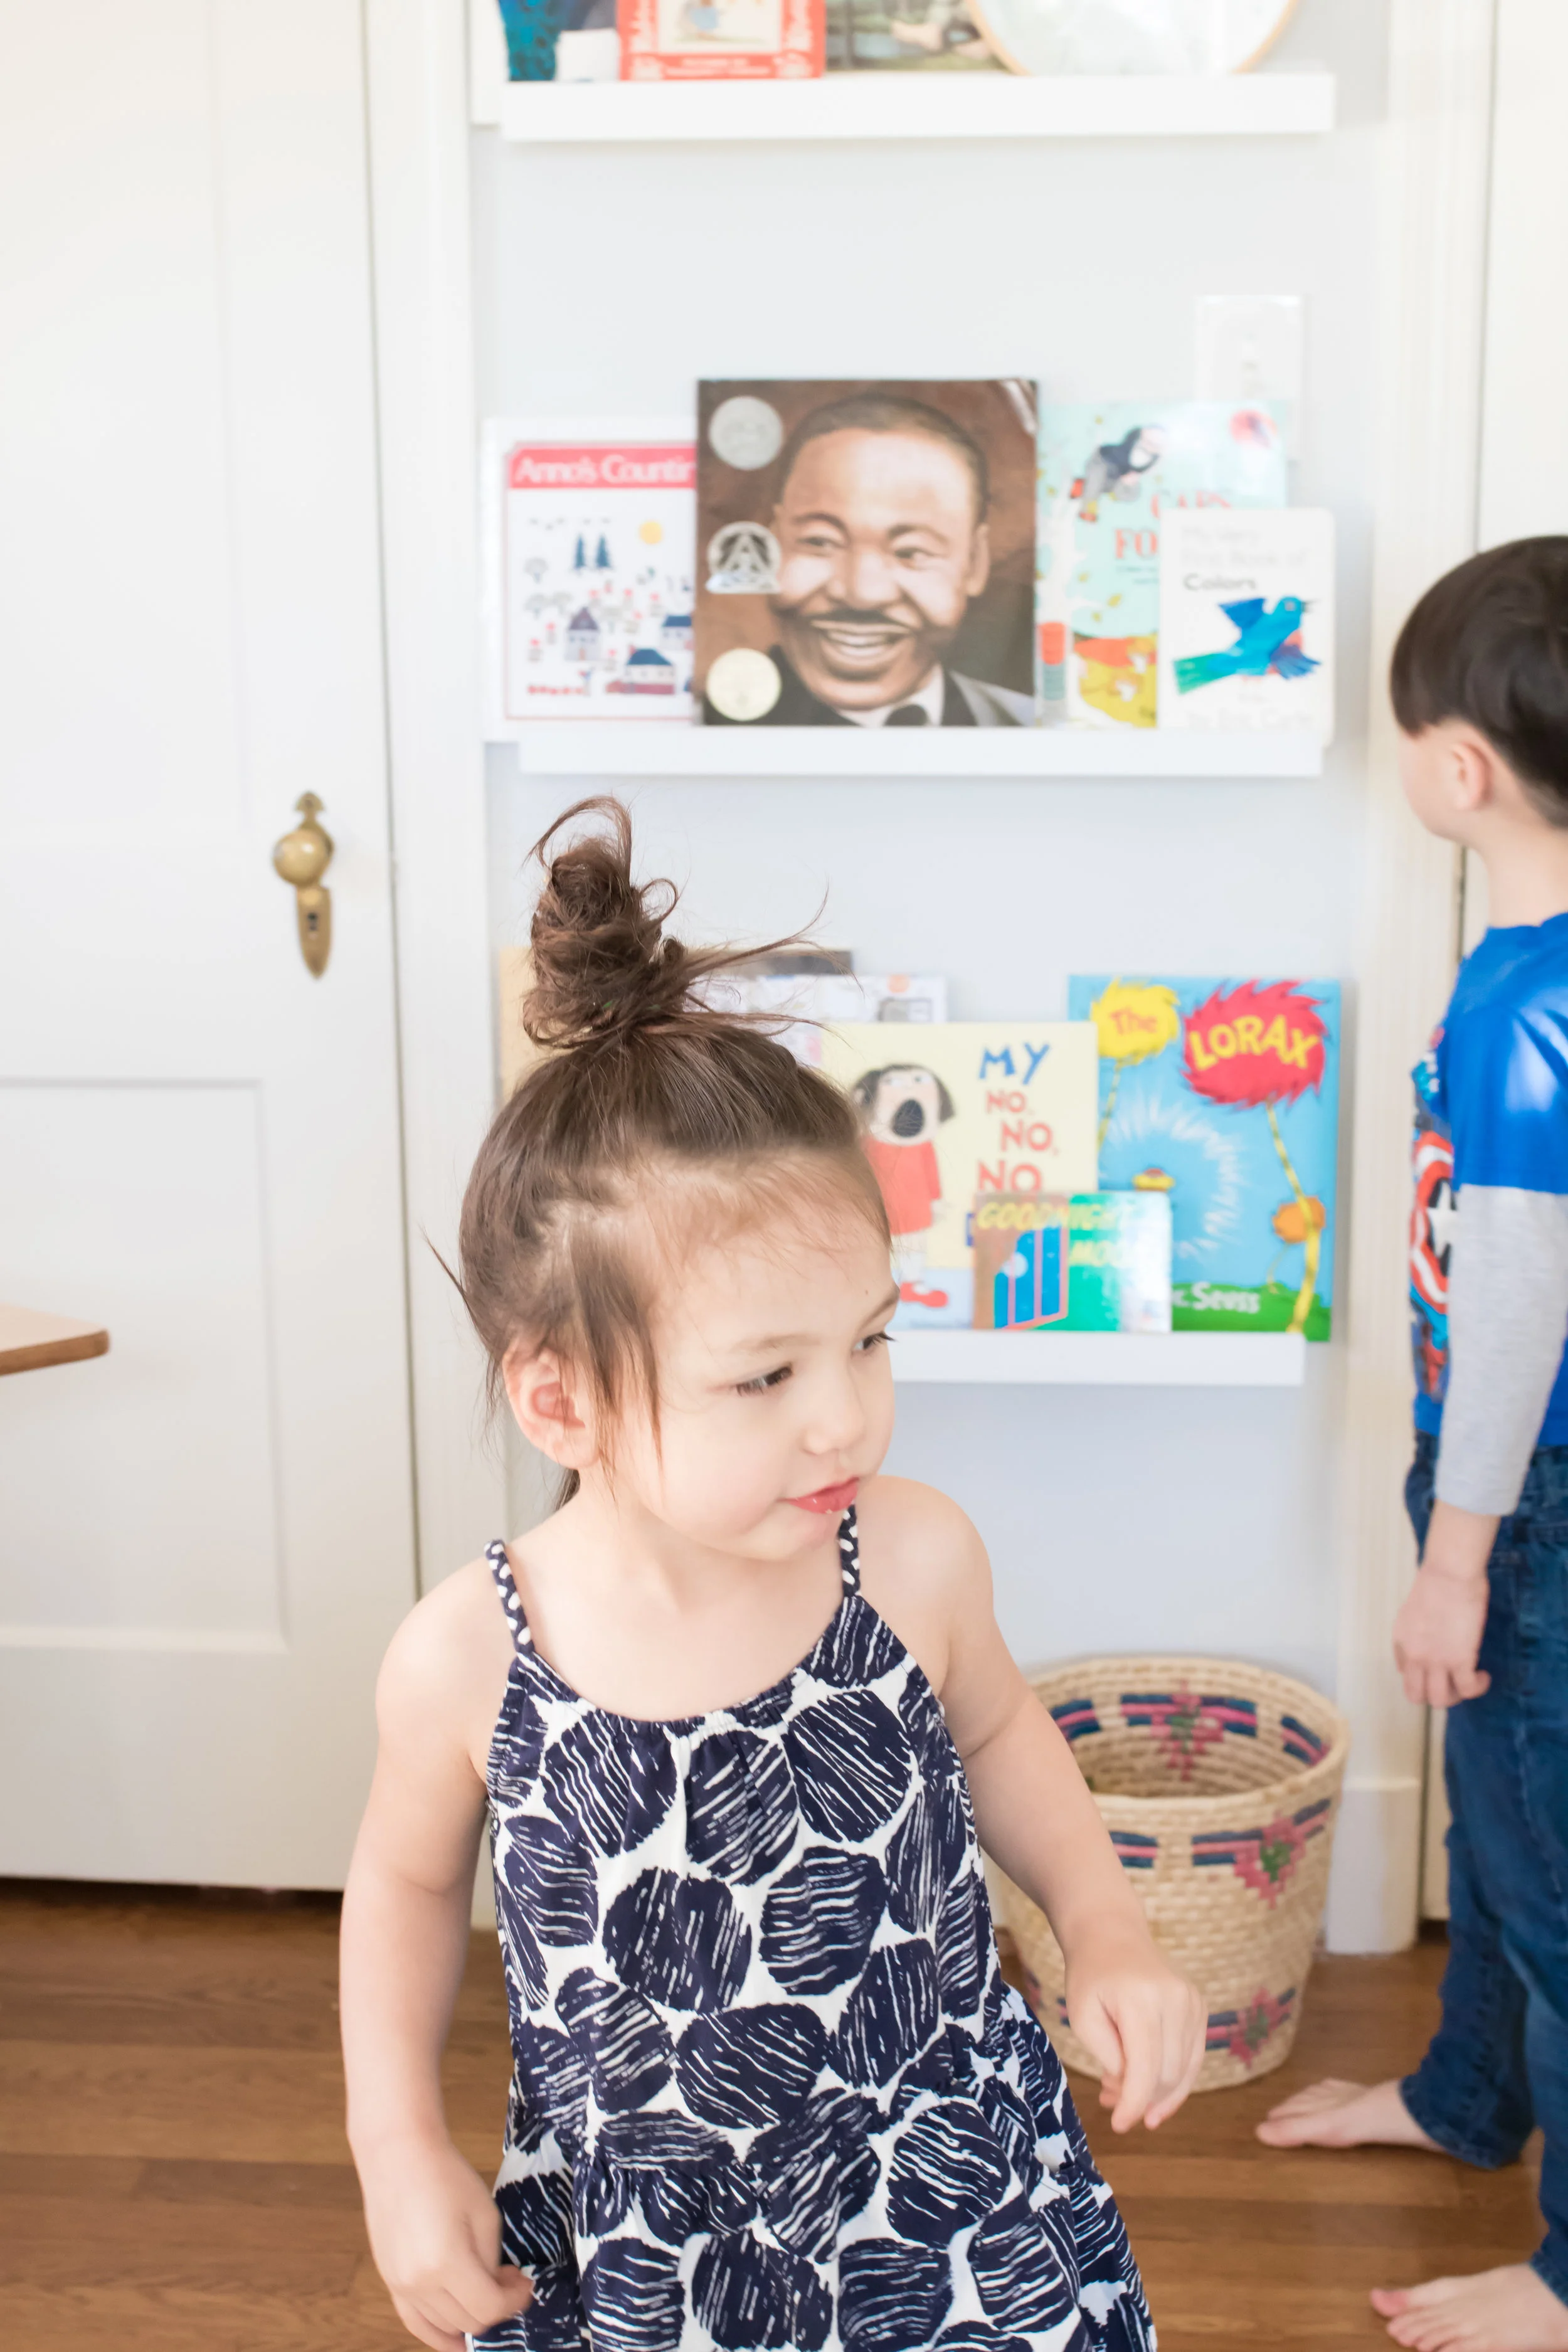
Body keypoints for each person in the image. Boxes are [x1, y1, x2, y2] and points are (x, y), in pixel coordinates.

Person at [340, 797, 1202, 2352]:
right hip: (647, 2253)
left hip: (951, 2195)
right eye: (764, 1375)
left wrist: (1109, 1922)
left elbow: (1002, 1737)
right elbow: (403, 1884)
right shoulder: (473, 1654)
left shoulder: (911, 1555)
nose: (844, 1412)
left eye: (871, 1337)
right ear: (562, 1399)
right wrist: (396, 2142)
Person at [1259, 538, 1568, 2352]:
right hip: (1512, 1493)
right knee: (1501, 1812)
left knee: (1544, 1877)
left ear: (1457, 767)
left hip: (1523, 1503)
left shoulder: (1524, 1000)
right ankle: (1467, 2098)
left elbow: (1520, 1310)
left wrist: (1456, 1551)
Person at [705, 391, 1037, 728]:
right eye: (820, 542)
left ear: (975, 562)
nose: (863, 593)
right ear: (772, 549)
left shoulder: (1030, 727)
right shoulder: (701, 730)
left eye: (911, 552)